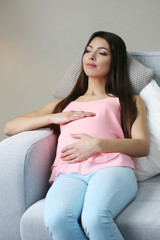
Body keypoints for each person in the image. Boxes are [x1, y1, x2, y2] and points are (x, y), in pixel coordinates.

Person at [4, 31, 149, 240]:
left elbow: (142, 146)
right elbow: (10, 127)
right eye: (88, 51)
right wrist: (54, 117)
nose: (91, 57)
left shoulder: (128, 100)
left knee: (94, 218)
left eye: (102, 53)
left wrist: (97, 145)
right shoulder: (64, 104)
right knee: (56, 219)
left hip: (112, 167)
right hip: (69, 172)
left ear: (114, 61)